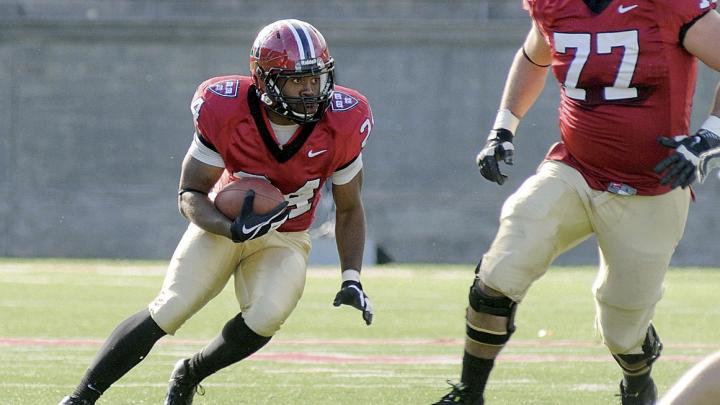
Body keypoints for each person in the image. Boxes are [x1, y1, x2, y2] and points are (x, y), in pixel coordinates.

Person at [59, 18, 375, 405]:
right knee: (172, 307)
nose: (310, 90)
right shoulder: (226, 108)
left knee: (267, 315)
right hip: (221, 226)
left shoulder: (342, 122)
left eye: (316, 78)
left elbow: (348, 208)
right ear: (265, 80)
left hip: (286, 237)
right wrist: (229, 228)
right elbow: (189, 193)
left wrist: (352, 278)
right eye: (297, 80)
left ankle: (190, 373)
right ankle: (80, 398)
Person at [435, 1, 720, 404]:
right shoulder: (556, 4)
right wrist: (503, 127)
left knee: (621, 330)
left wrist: (710, 136)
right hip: (576, 169)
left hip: (650, 187)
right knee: (500, 271)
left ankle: (637, 378)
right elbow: (534, 56)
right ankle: (469, 393)